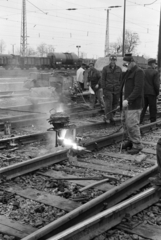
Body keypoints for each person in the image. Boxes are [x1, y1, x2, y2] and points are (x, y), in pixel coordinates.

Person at [120, 53, 144, 155]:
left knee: (132, 124)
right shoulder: (128, 72)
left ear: (132, 62)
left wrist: (129, 100)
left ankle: (137, 145)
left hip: (133, 103)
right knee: (125, 123)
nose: (125, 65)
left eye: (127, 63)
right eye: (124, 63)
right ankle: (130, 141)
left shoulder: (139, 72)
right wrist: (123, 72)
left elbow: (138, 89)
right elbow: (122, 84)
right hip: (126, 103)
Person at [101, 54, 122, 125]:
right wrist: (104, 88)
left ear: (115, 61)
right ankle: (107, 117)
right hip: (108, 89)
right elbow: (102, 79)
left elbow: (120, 79)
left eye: (114, 60)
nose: (113, 61)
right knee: (108, 104)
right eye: (111, 60)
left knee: (115, 104)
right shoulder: (105, 69)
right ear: (109, 60)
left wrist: (119, 87)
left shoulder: (119, 69)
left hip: (116, 89)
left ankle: (111, 116)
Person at [140, 58, 160, 124]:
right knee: (152, 107)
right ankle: (153, 121)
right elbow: (156, 84)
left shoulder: (142, 71)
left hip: (144, 92)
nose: (155, 65)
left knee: (143, 107)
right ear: (152, 64)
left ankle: (140, 120)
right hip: (152, 93)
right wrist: (157, 93)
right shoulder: (155, 72)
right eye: (154, 64)